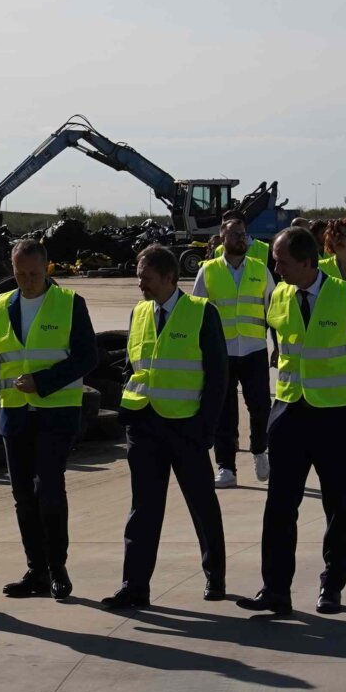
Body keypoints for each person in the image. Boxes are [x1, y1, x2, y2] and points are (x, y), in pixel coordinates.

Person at [239, 225, 346, 616]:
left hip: (336, 416)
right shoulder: (279, 296)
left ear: (306, 261)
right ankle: (275, 590)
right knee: (280, 506)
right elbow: (282, 349)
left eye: (281, 262)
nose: (276, 268)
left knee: (339, 507)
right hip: (289, 414)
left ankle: (331, 586)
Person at [101, 244, 229, 612]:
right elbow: (132, 365)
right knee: (143, 509)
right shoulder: (139, 312)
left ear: (170, 278)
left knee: (202, 504)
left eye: (146, 278)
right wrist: (129, 410)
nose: (141, 284)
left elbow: (218, 377)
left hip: (186, 426)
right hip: (144, 426)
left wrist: (205, 428)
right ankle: (134, 586)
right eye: (140, 277)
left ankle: (214, 575)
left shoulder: (202, 313)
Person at [0, 238, 98, 601]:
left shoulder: (70, 303)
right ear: (11, 270)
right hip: (14, 415)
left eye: (34, 273)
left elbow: (87, 357)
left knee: (50, 490)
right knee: (23, 495)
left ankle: (58, 568)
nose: (27, 279)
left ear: (47, 269)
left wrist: (42, 382)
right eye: (20, 273)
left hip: (56, 413)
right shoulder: (0, 306)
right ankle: (36, 571)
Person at [191, 209, 274, 487]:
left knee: (260, 406)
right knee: (224, 412)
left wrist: (278, 345)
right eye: (235, 234)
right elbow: (197, 313)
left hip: (253, 349)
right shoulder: (208, 270)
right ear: (221, 237)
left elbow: (274, 309)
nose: (241, 238)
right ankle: (226, 467)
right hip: (221, 352)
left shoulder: (259, 269)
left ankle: (260, 451)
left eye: (244, 234)